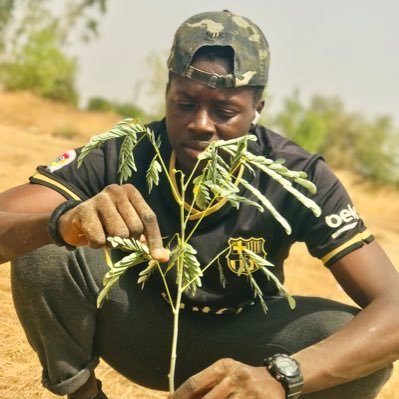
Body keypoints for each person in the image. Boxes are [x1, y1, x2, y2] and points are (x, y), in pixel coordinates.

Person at [0, 9, 398, 399]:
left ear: (257, 107)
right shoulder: (124, 153)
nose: (202, 124)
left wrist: (282, 377)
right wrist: (63, 224)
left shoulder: (297, 175)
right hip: (139, 331)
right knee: (46, 246)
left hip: (245, 350)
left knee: (345, 339)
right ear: (168, 91)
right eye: (185, 103)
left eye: (225, 111)